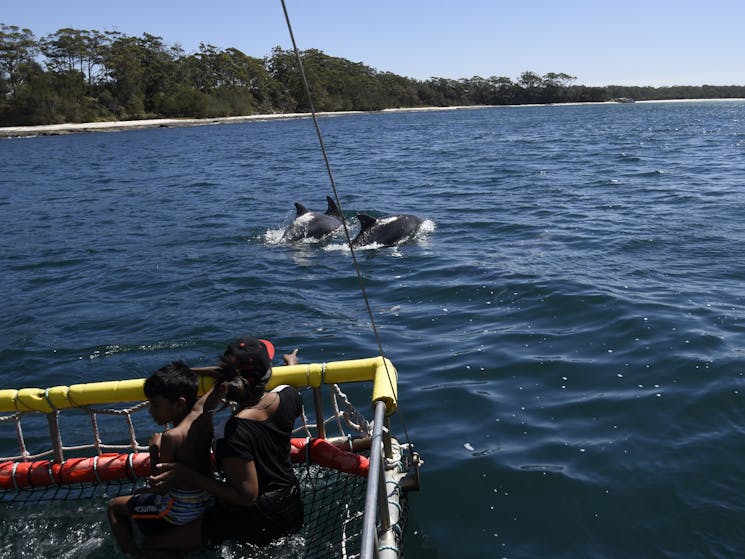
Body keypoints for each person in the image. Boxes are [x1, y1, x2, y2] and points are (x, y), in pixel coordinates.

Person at [142, 336, 304, 557]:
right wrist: (291, 366)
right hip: (292, 506)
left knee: (152, 545)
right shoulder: (289, 396)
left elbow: (247, 496)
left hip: (257, 519)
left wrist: (188, 474)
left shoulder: (232, 433)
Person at [108, 361, 218, 557]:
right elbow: (223, 375)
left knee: (114, 506)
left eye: (156, 405)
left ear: (180, 404)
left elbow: (160, 487)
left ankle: (135, 554)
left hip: (178, 510)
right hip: (206, 499)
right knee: (141, 495)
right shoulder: (204, 415)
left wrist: (153, 449)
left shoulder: (170, 437)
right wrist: (185, 374)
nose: (151, 411)